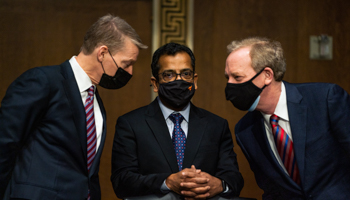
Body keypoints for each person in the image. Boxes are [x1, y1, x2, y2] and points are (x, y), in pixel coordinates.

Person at [0, 14, 147, 199]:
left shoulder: (96, 100)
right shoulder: (43, 81)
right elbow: (5, 143)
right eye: (127, 64)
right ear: (102, 53)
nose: (130, 72)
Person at [111, 43, 244, 199]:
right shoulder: (131, 124)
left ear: (194, 80)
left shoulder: (216, 125)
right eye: (169, 75)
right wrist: (166, 182)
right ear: (155, 83)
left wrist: (219, 184)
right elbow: (122, 181)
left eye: (186, 74)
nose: (179, 80)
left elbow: (234, 179)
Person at [224, 37, 350, 199]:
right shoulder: (244, 130)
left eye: (237, 77)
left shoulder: (325, 99)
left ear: (267, 75)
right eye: (227, 78)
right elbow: (271, 190)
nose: (230, 85)